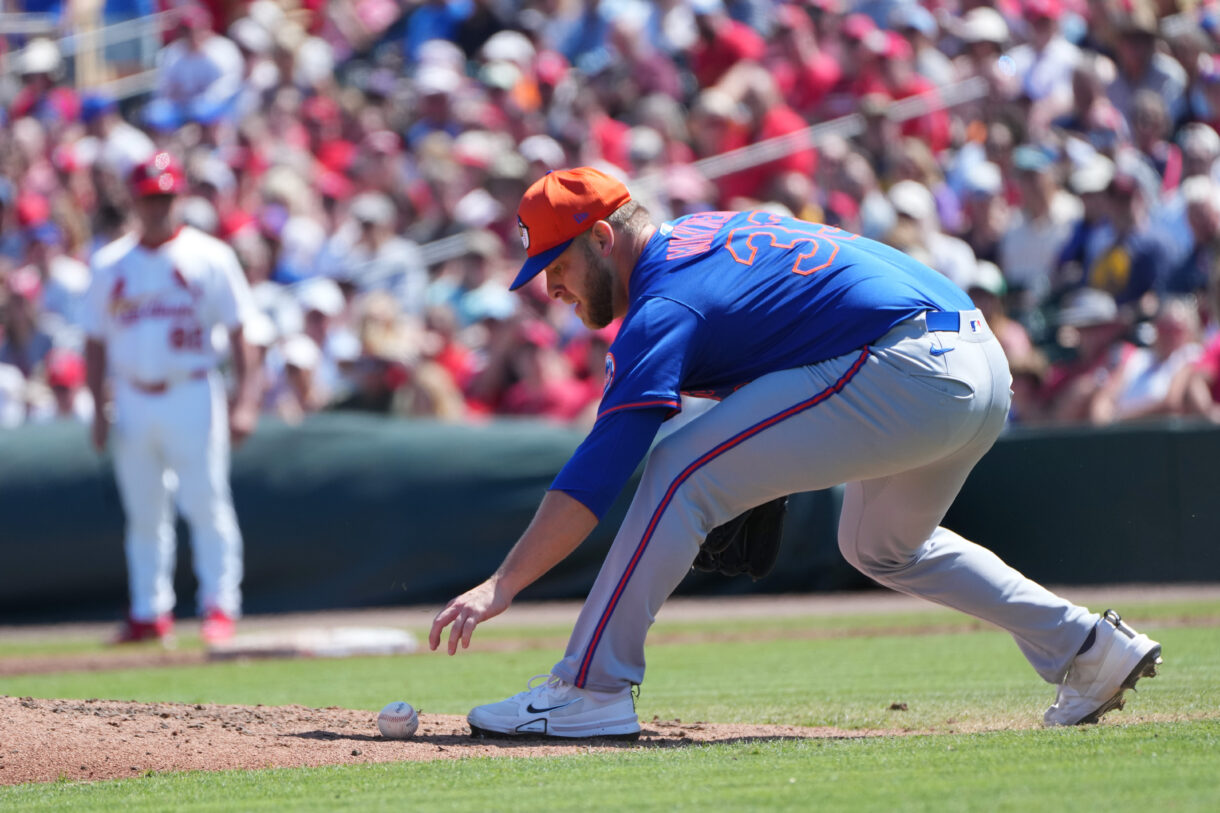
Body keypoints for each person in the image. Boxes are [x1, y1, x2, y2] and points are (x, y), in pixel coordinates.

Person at [429, 167, 1163, 738]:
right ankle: (1087, 648)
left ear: (601, 239)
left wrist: (504, 582)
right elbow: (784, 321)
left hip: (904, 364)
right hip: (975, 362)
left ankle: (591, 688)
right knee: (880, 544)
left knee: (677, 469)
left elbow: (598, 468)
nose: (549, 286)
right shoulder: (702, 235)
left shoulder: (663, 303)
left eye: (555, 262)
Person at [82, 152, 260, 646]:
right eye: (148, 198)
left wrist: (245, 401)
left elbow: (244, 331)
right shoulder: (111, 262)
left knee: (205, 501)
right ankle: (148, 610)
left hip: (192, 389)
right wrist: (97, 409)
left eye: (164, 196)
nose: (157, 206)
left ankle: (220, 605)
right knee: (143, 510)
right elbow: (93, 341)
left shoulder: (210, 255)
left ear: (178, 197)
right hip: (133, 395)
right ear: (134, 201)